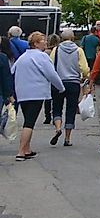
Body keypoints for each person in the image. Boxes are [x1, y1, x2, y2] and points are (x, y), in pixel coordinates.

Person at [12, 32, 63, 161]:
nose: (45, 42)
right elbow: (51, 74)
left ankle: (27, 149)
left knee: (28, 120)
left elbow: (12, 71)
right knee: (29, 123)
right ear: (36, 43)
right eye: (43, 40)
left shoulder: (23, 57)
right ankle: (21, 152)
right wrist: (61, 87)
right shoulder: (42, 57)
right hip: (36, 93)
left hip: (22, 93)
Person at [48, 29, 89, 148]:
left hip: (58, 82)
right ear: (73, 38)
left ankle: (57, 128)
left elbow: (50, 64)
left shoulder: (56, 50)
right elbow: (84, 68)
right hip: (73, 83)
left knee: (57, 106)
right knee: (71, 109)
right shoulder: (78, 50)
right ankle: (67, 137)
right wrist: (86, 76)